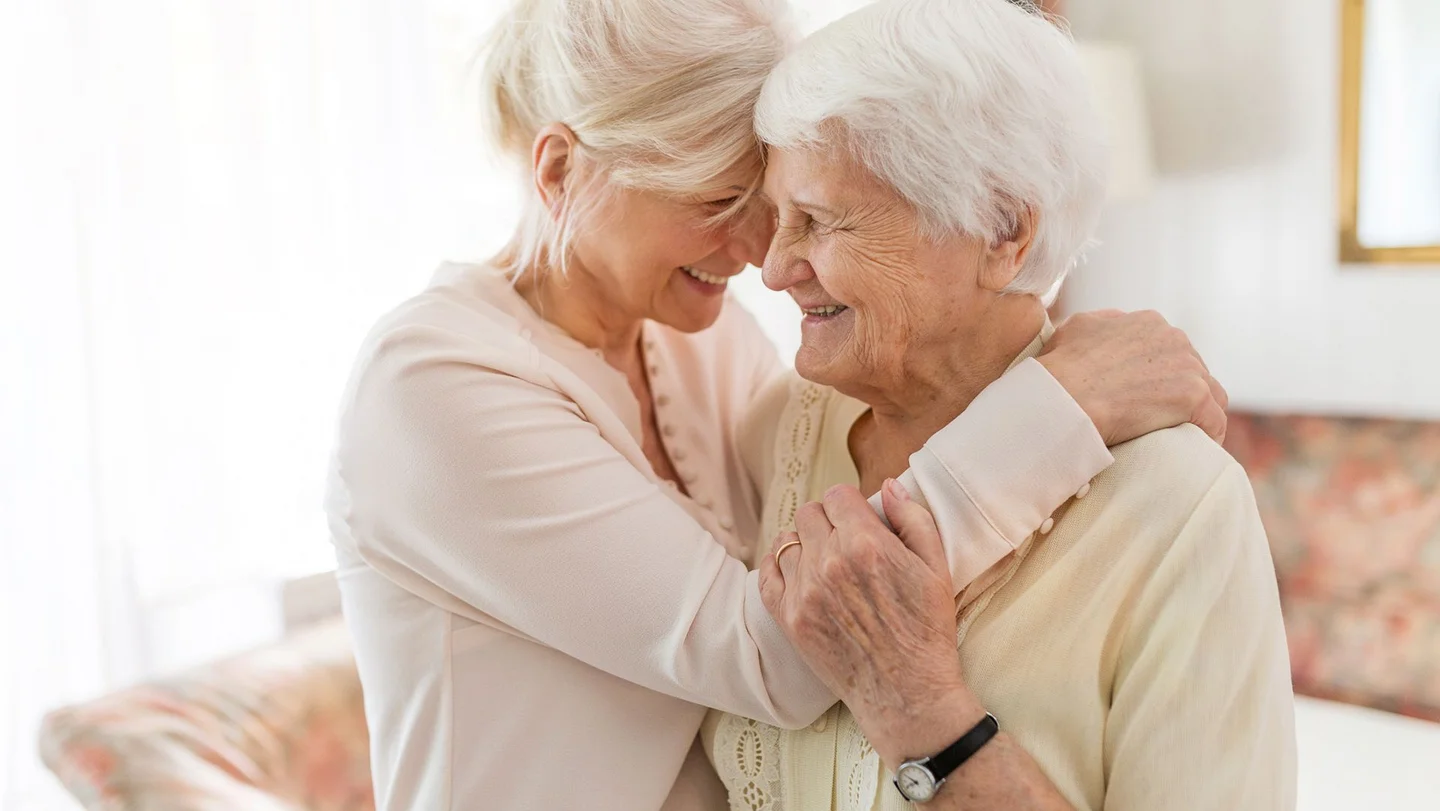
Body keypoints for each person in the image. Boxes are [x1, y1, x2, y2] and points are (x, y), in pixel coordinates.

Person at [324, 0, 1230, 808]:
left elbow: (825, 490)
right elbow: (779, 650)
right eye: (719, 201)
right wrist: (1059, 408)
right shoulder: (433, 388)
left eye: (771, 199)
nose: (760, 253)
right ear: (560, 172)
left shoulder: (694, 336)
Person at [703, 1, 1297, 809]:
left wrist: (924, 715)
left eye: (821, 220)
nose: (773, 268)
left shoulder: (1179, 507)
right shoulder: (774, 429)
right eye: (779, 218)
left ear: (1000, 231)